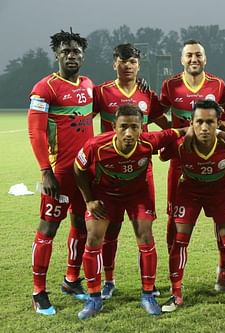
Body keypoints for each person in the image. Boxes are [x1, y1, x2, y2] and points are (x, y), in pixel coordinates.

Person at [73, 104, 185, 319]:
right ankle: (94, 298)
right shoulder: (95, 145)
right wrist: (89, 200)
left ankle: (147, 294)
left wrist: (218, 132)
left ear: (142, 127)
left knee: (145, 236)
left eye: (134, 127)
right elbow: (78, 169)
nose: (129, 132)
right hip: (105, 195)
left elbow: (178, 131)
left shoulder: (149, 141)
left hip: (137, 195)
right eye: (123, 126)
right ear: (113, 126)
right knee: (94, 238)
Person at [92, 43, 168, 299]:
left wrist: (173, 145)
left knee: (144, 231)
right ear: (114, 63)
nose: (127, 66)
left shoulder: (147, 93)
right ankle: (109, 281)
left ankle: (149, 286)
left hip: (140, 174)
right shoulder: (101, 92)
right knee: (109, 231)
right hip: (108, 174)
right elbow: (81, 118)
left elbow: (162, 121)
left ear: (139, 65)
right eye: (122, 61)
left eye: (133, 61)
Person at [159, 100, 225, 312]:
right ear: (191, 122)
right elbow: (162, 154)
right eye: (199, 122)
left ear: (218, 123)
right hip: (189, 193)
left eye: (210, 122)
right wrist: (180, 134)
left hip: (220, 193)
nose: (205, 127)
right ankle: (176, 294)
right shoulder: (181, 145)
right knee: (179, 241)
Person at [159, 40, 225, 292]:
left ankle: (223, 271)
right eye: (189, 55)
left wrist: (224, 131)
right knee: (175, 220)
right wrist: (173, 133)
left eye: (198, 55)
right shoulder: (170, 85)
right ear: (181, 59)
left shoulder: (218, 85)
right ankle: (174, 279)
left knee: (221, 219)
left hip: (213, 159)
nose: (194, 59)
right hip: (182, 163)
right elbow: (156, 113)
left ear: (205, 58)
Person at [28, 29, 93, 316]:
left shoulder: (89, 85)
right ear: (57, 54)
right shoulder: (45, 88)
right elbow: (36, 132)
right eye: (65, 51)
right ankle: (38, 291)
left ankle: (71, 279)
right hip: (59, 174)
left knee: (80, 225)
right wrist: (45, 171)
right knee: (48, 228)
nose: (71, 55)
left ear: (83, 55)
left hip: (84, 174)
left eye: (76, 51)